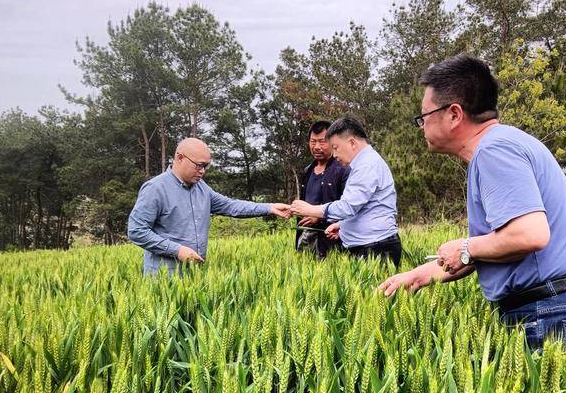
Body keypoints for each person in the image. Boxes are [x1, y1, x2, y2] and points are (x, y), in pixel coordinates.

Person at [378, 54, 566, 371]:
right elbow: (497, 248)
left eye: (424, 117)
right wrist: (420, 275)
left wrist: (466, 246)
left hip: (550, 313)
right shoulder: (507, 144)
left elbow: (530, 234)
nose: (422, 126)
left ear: (454, 114)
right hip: (560, 307)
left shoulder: (493, 151)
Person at [127, 137, 290, 275]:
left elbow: (231, 206)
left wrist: (269, 207)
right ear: (180, 157)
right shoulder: (155, 189)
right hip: (163, 278)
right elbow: (136, 231)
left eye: (206, 166)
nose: (203, 171)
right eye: (199, 165)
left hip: (195, 274)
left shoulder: (201, 188)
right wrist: (177, 250)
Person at [290, 117, 402, 267]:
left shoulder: (367, 165)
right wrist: (343, 225)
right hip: (370, 246)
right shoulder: (362, 164)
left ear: (352, 143)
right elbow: (364, 206)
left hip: (375, 248)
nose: (334, 155)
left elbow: (347, 206)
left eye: (335, 147)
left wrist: (310, 209)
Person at [296, 120, 350, 259]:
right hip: (306, 236)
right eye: (313, 142)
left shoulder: (342, 170)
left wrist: (318, 216)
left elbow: (348, 208)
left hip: (330, 240)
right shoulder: (307, 171)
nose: (317, 147)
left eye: (322, 141)